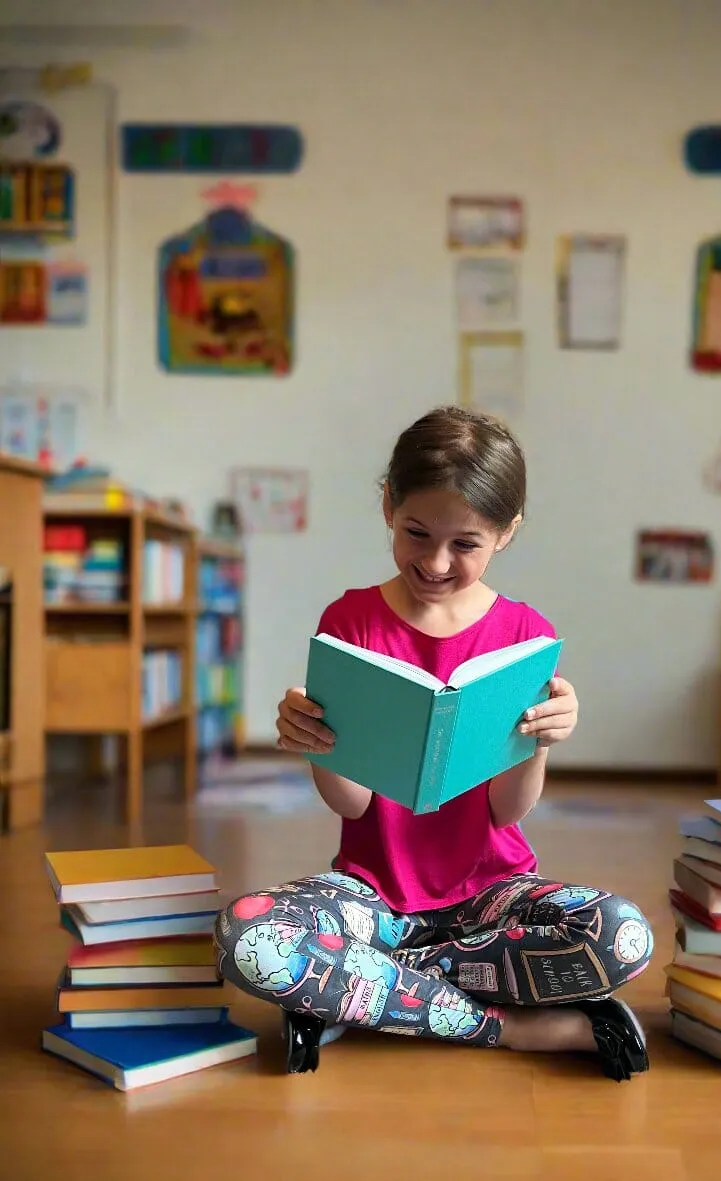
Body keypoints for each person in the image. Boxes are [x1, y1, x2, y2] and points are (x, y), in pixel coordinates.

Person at [214, 406, 653, 1081]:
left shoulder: (525, 634)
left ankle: (354, 992)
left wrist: (540, 742)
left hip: (491, 900)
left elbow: (507, 814)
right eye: (416, 532)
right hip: (370, 897)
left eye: (466, 544)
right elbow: (354, 806)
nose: (436, 561)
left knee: (622, 935)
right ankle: (507, 1029)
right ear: (387, 503)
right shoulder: (350, 619)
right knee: (245, 935)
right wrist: (319, 745)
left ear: (506, 534)